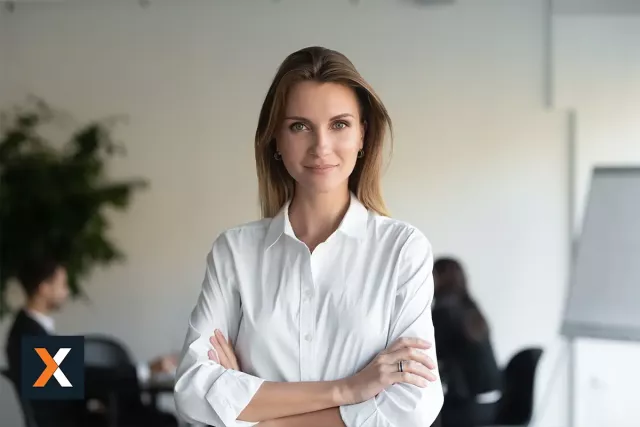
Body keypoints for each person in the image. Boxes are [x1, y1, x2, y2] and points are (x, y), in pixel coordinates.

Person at [174, 46, 444, 427]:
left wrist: (258, 416)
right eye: (299, 126)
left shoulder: (402, 250)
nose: (321, 146)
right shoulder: (234, 252)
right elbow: (192, 391)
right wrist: (348, 390)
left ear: (363, 134)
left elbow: (414, 404)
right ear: (276, 142)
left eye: (339, 124)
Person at [4, 255, 178, 427]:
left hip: (73, 414)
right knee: (160, 421)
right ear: (44, 288)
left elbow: (72, 377)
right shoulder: (29, 335)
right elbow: (82, 376)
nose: (67, 292)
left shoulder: (28, 329)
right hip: (67, 421)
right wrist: (145, 370)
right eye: (63, 285)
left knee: (153, 416)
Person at [431, 257, 502, 427]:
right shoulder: (471, 307)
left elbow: (429, 353)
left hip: (466, 407)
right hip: (491, 404)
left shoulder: (444, 312)